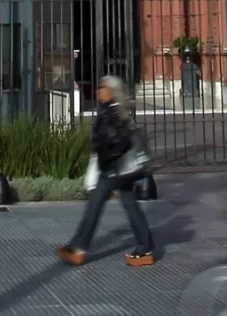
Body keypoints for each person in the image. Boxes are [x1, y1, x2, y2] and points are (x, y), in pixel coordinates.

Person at [58, 75, 157, 267]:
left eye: (101, 87)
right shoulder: (112, 110)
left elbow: (119, 141)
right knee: (130, 206)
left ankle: (78, 248)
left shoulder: (111, 112)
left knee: (94, 207)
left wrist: (106, 154)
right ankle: (145, 248)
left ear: (110, 91)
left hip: (113, 169)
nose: (98, 90)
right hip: (120, 170)